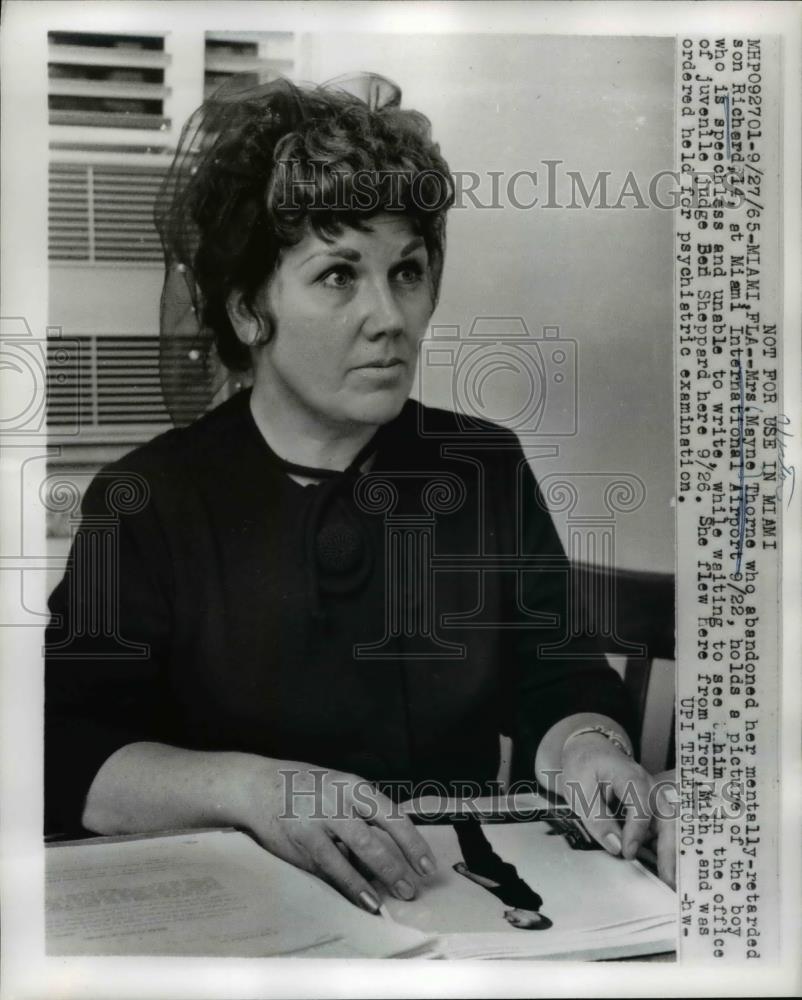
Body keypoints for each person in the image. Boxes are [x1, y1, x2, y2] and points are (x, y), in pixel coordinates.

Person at [45, 73, 675, 918]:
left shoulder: (480, 466)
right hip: (248, 922)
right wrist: (251, 789)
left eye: (406, 270)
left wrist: (592, 749)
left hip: (461, 905)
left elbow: (557, 681)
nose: (391, 316)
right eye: (339, 276)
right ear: (246, 311)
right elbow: (60, 748)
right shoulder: (148, 498)